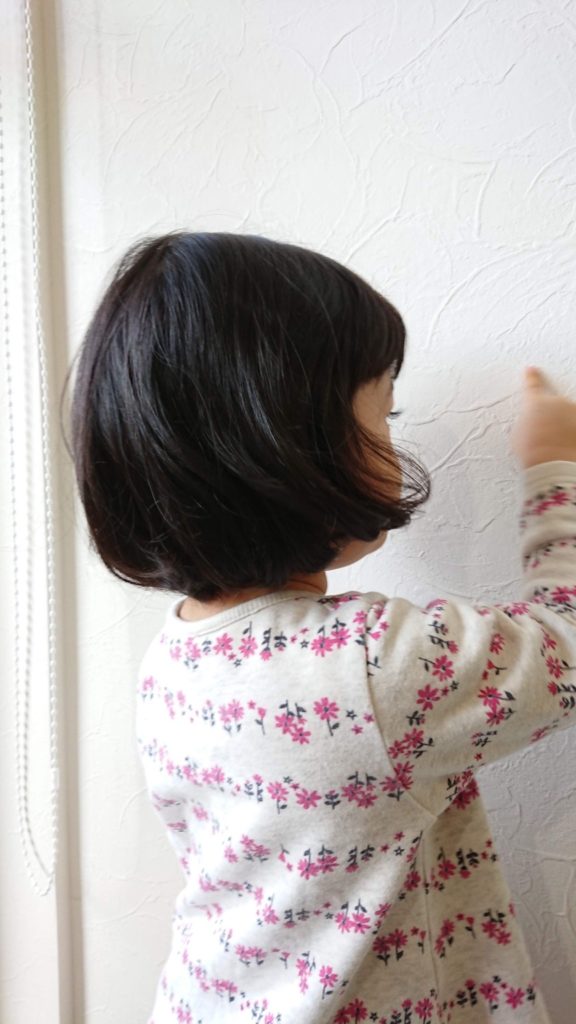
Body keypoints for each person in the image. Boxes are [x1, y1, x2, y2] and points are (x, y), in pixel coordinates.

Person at [69, 231, 576, 1024]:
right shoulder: (374, 665)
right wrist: (554, 467)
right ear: (281, 444)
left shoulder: (175, 657)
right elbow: (566, 644)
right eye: (384, 413)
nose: (392, 437)